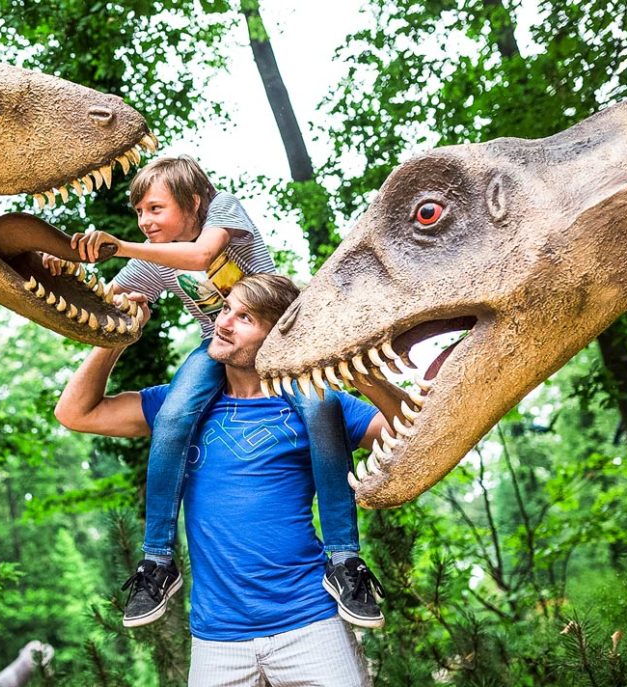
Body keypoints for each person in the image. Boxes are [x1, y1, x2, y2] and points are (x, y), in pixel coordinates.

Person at [47, 156, 384, 629]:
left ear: (195, 201)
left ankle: (345, 557)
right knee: (176, 412)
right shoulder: (154, 257)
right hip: (221, 349)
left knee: (321, 407)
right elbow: (102, 305)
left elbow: (203, 256)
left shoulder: (222, 210)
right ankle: (159, 558)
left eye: (156, 209)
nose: (145, 222)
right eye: (139, 212)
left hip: (286, 344)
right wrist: (56, 268)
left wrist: (122, 246)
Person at [56, 274, 404, 686]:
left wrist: (362, 372)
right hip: (216, 639)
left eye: (245, 318)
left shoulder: (317, 405)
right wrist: (117, 336)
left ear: (277, 335)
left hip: (310, 622)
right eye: (226, 310)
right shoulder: (178, 408)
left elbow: (406, 428)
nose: (223, 323)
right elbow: (75, 413)